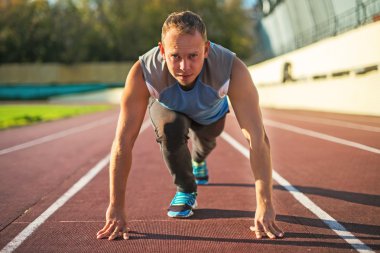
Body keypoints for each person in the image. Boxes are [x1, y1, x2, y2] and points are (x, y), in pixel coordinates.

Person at [97, 10, 284, 241]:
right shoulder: (144, 72)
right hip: (169, 108)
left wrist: (264, 203)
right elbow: (123, 142)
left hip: (210, 116)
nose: (184, 66)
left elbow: (258, 138)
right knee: (170, 129)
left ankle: (198, 160)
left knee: (205, 144)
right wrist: (115, 206)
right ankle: (186, 189)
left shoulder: (231, 68)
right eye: (175, 56)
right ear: (162, 51)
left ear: (206, 50)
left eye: (193, 56)